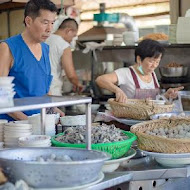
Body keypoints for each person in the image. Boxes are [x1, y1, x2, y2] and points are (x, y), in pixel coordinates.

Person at [0, 0, 64, 121]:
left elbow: (45, 89)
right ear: (28, 21)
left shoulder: (45, 49)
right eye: (45, 23)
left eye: (52, 23)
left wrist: (54, 110)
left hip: (41, 125)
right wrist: (28, 122)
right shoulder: (7, 47)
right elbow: (1, 96)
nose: (49, 29)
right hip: (13, 128)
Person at [96, 39, 184, 103]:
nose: (154, 65)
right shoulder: (126, 73)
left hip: (149, 121)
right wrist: (117, 90)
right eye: (151, 61)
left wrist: (166, 96)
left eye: (157, 61)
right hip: (129, 120)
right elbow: (100, 80)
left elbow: (153, 101)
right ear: (139, 58)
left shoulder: (152, 74)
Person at [46, 18, 83, 96]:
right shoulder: (64, 45)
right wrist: (78, 84)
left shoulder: (45, 38)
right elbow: (71, 75)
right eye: (73, 36)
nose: (71, 40)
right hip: (53, 91)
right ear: (69, 31)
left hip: (39, 89)